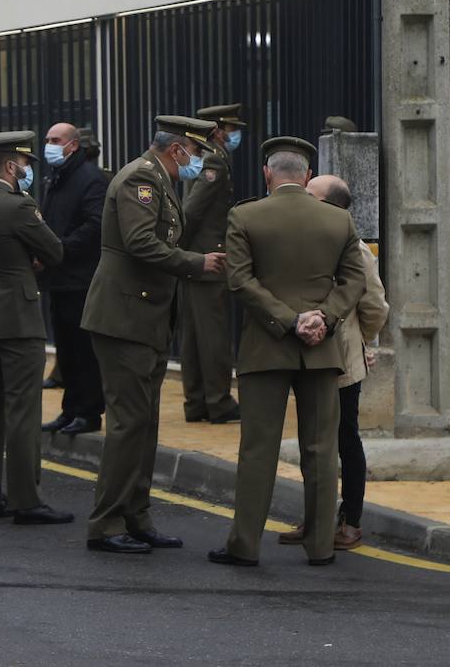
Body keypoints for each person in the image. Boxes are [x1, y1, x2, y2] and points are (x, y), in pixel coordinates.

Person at [209, 137, 368, 567]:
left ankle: (244, 545)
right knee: (321, 449)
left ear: (267, 173)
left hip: (266, 344)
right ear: (308, 176)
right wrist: (323, 318)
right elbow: (355, 283)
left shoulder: (245, 215)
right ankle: (320, 546)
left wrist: (288, 320)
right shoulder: (338, 221)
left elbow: (240, 281)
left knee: (258, 447)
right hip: (321, 349)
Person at [81, 116, 226, 554]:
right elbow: (141, 241)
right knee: (128, 424)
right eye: (196, 153)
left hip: (146, 317)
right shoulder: (140, 179)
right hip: (124, 317)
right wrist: (196, 263)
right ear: (177, 148)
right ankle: (106, 524)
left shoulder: (161, 180)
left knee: (144, 425)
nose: (198, 162)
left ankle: (136, 515)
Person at [0, 131, 70, 525]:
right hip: (18, 318)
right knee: (21, 411)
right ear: (10, 166)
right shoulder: (19, 206)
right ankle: (26, 500)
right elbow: (53, 250)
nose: (26, 172)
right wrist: (30, 259)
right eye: (24, 165)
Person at [275, 174, 389, 551]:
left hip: (341, 360)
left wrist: (360, 341)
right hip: (306, 357)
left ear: (331, 207)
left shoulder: (354, 249)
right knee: (312, 440)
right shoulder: (304, 240)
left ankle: (350, 520)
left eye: (312, 197)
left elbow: (375, 306)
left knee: (344, 439)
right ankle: (316, 517)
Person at [38, 121, 109, 436]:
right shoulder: (58, 176)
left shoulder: (90, 179)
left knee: (84, 350)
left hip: (81, 278)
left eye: (56, 140)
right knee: (65, 349)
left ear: (73, 145)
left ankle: (89, 412)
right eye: (48, 139)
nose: (49, 145)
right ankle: (70, 409)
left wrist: (59, 249)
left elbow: (95, 225)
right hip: (59, 277)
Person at [179, 103, 248, 424]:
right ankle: (218, 402)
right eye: (232, 129)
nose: (234, 135)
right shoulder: (214, 161)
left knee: (194, 335)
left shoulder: (202, 159)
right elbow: (192, 211)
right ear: (218, 130)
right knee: (213, 336)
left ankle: (196, 403)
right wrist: (182, 246)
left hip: (195, 256)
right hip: (209, 258)